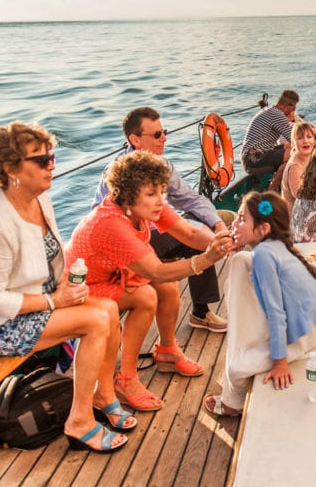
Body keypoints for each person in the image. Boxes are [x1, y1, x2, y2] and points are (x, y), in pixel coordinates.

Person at [0, 122, 132, 453]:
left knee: (109, 308)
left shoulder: (40, 200)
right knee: (97, 320)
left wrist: (65, 286)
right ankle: (80, 421)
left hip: (34, 305)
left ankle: (104, 393)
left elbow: (45, 262)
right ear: (10, 168)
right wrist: (53, 300)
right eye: (41, 160)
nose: (51, 165)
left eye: (51, 157)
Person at [69, 150, 232, 412]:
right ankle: (127, 380)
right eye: (152, 194)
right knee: (147, 296)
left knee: (166, 289)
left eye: (161, 192)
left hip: (117, 274)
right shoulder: (111, 222)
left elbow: (189, 233)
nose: (160, 201)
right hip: (85, 287)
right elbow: (155, 270)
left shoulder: (142, 207)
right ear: (128, 195)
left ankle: (167, 351)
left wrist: (224, 243)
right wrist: (208, 258)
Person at [94, 107, 228, 333]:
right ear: (135, 139)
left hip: (146, 229)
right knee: (191, 234)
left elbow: (190, 198)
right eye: (157, 134)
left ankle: (200, 312)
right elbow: (107, 222)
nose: (164, 138)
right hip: (121, 243)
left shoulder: (162, 165)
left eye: (163, 131)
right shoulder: (119, 173)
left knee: (198, 220)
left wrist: (218, 224)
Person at [203, 192, 316, 417]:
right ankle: (232, 396)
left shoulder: (263, 255)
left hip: (307, 339)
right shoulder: (274, 246)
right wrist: (240, 245)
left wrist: (280, 362)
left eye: (242, 219)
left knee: (236, 369)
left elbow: (276, 314)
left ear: (263, 230)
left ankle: (233, 403)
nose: (234, 223)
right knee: (240, 260)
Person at [240, 90, 299, 176]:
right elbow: (294, 139)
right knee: (298, 152)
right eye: (294, 107)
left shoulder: (270, 110)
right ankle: (276, 186)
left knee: (288, 146)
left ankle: (278, 181)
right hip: (253, 159)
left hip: (250, 157)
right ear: (290, 106)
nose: (293, 110)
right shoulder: (277, 115)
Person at [280, 120, 316, 210]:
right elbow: (302, 198)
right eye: (300, 138)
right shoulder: (294, 167)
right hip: (298, 217)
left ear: (314, 140)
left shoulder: (312, 158)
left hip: (312, 208)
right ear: (293, 143)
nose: (305, 141)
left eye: (309, 137)